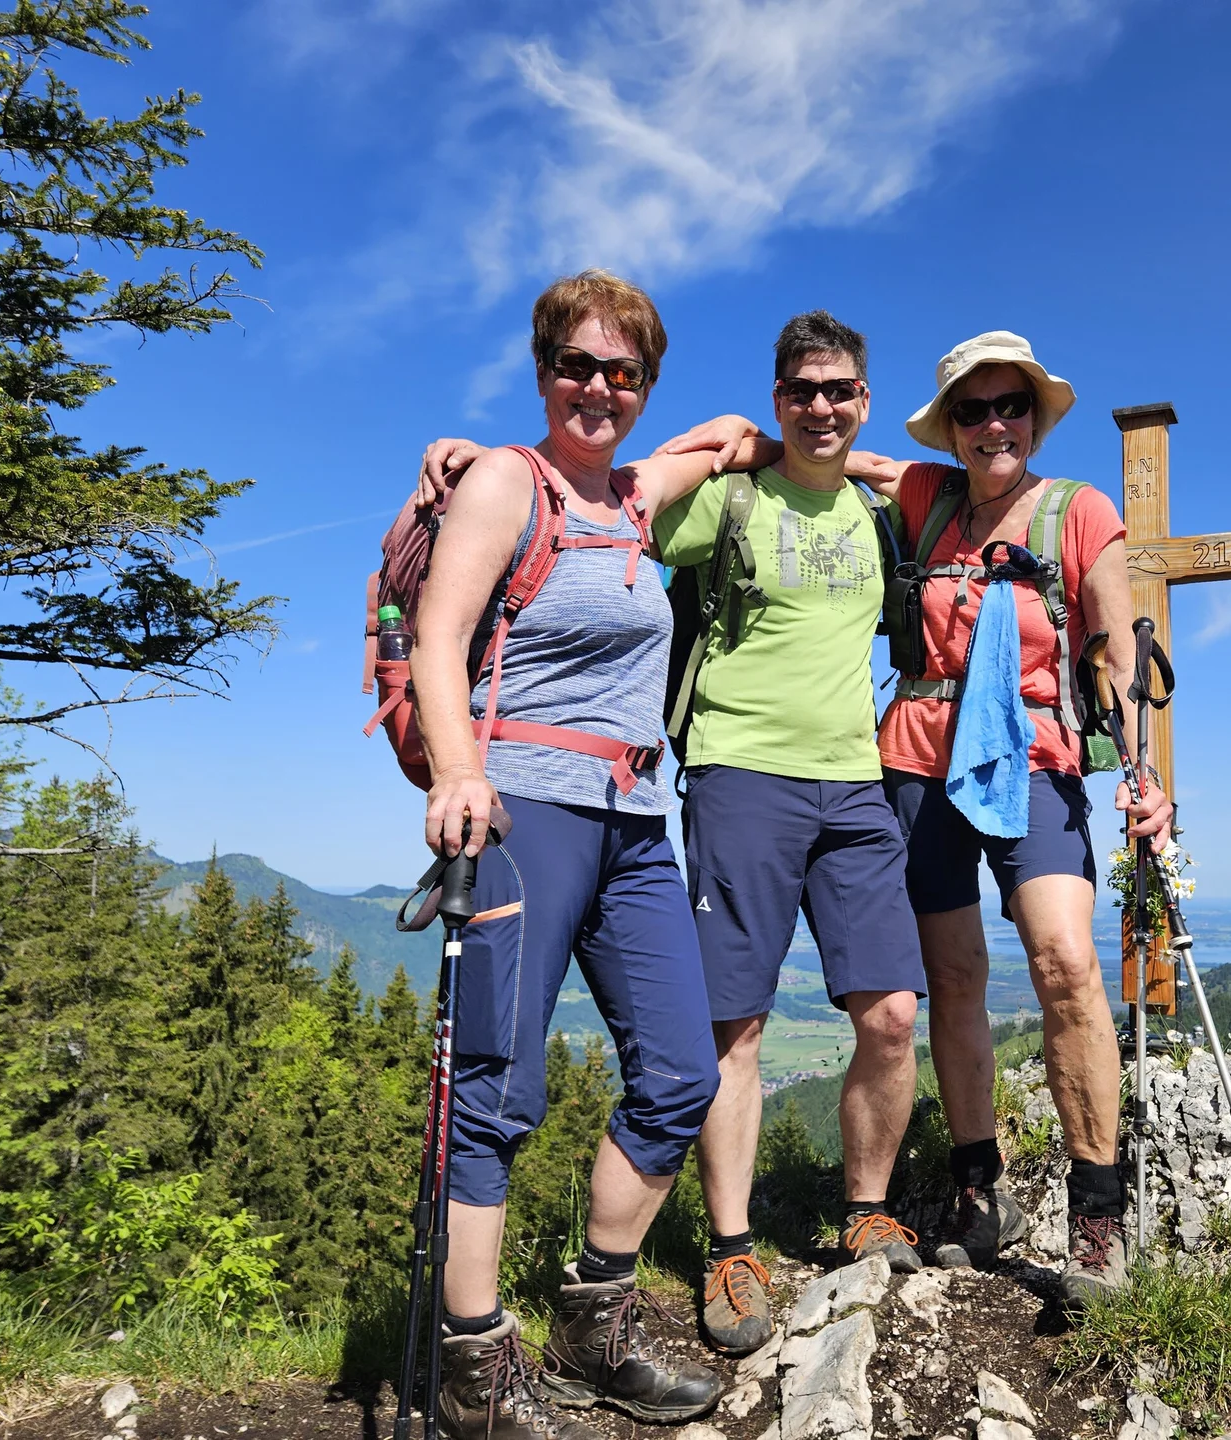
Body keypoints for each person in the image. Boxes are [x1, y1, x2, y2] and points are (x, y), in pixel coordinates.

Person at [422, 311, 929, 1363]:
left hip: (785, 787)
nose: (822, 407)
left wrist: (891, 472)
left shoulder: (886, 514)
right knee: (678, 1043)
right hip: (699, 779)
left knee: (865, 1021)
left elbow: (973, 503)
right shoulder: (712, 499)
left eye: (840, 392)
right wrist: (477, 470)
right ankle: (714, 1252)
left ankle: (624, 1313)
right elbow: (651, 474)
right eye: (803, 391)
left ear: (865, 401)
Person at [663, 331, 1171, 1311]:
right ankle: (978, 1185)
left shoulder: (1078, 510)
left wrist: (1143, 770)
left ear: (1036, 414)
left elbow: (1112, 650)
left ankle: (1098, 1223)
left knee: (1065, 962)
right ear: (952, 426)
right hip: (911, 765)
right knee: (950, 978)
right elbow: (820, 447)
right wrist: (734, 434)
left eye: (1010, 407)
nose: (994, 426)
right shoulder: (925, 497)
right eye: (973, 412)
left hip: (1038, 761)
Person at [409, 269, 739, 1440]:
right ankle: (473, 1366)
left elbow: (734, 438)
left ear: (646, 385)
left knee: (680, 1077)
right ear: (544, 367)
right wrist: (459, 774)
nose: (600, 388)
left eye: (624, 371)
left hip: (640, 818)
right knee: (495, 1088)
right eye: (578, 365)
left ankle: (593, 1329)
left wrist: (876, 470)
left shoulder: (639, 496)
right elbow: (439, 638)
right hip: (523, 811)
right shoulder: (509, 480)